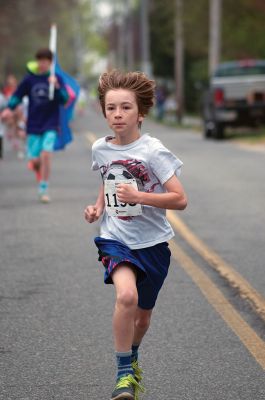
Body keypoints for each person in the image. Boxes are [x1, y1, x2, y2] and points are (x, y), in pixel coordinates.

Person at [84, 70, 187, 400]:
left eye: (125, 108)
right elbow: (106, 176)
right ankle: (123, 374)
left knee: (141, 319)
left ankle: (133, 356)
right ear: (104, 112)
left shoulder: (153, 151)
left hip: (153, 244)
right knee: (125, 297)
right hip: (115, 239)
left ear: (140, 112)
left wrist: (139, 196)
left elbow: (180, 199)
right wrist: (98, 206)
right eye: (111, 108)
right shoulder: (100, 148)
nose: (117, 114)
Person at [1, 48, 69, 203]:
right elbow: (17, 96)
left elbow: (64, 99)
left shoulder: (56, 78)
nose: (43, 64)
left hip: (51, 123)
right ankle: (37, 168)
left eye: (46, 61)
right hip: (33, 124)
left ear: (51, 63)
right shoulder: (29, 79)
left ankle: (43, 188)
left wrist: (56, 87)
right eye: (40, 60)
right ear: (37, 61)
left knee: (46, 154)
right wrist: (8, 110)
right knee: (35, 160)